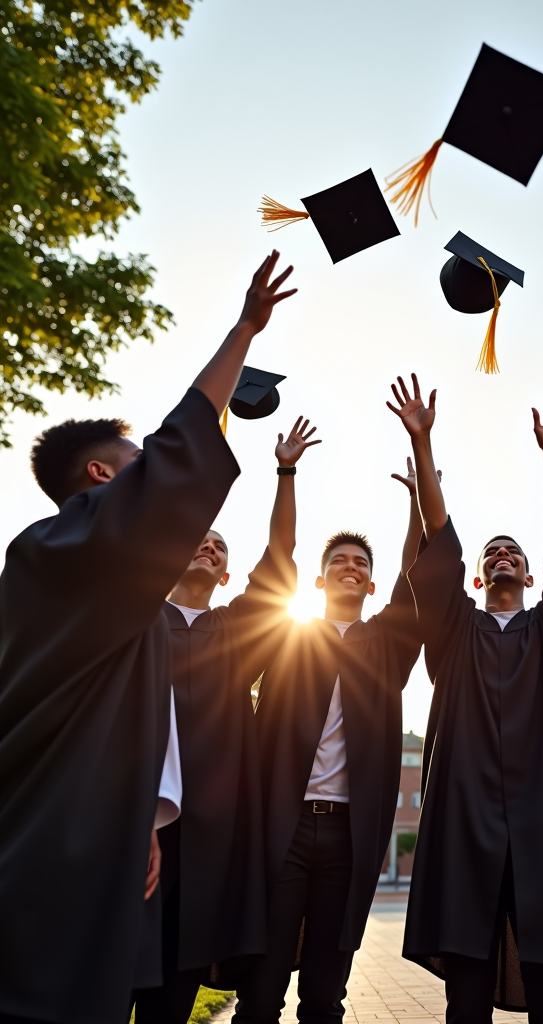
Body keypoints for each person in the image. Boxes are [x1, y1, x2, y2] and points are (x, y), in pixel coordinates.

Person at [0, 252, 296, 1024]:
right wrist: (244, 331)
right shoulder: (53, 552)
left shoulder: (111, 600)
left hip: (98, 833)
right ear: (100, 478)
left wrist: (145, 821)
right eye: (134, 470)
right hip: (47, 839)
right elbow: (174, 458)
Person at [390, 375, 543, 1024]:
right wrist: (424, 445)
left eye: (514, 553)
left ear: (529, 576)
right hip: (465, 813)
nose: (504, 556)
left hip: (541, 813)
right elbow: (439, 543)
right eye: (493, 553)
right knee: (467, 982)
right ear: (480, 577)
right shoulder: (455, 630)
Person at [131, 417, 321, 1024]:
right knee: (114, 962)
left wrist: (284, 472)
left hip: (210, 831)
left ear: (228, 576)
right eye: (199, 540)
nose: (209, 548)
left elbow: (281, 555)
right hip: (130, 816)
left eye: (219, 548)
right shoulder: (132, 620)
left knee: (182, 969)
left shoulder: (235, 632)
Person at [231, 439, 425, 1024]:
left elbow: (416, 578)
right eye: (338, 561)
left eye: (361, 564)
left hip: (348, 836)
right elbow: (276, 555)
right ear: (317, 582)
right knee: (260, 991)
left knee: (325, 994)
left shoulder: (387, 647)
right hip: (282, 829)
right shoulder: (287, 638)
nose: (350, 566)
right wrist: (285, 472)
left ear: (371, 586)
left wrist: (419, 501)